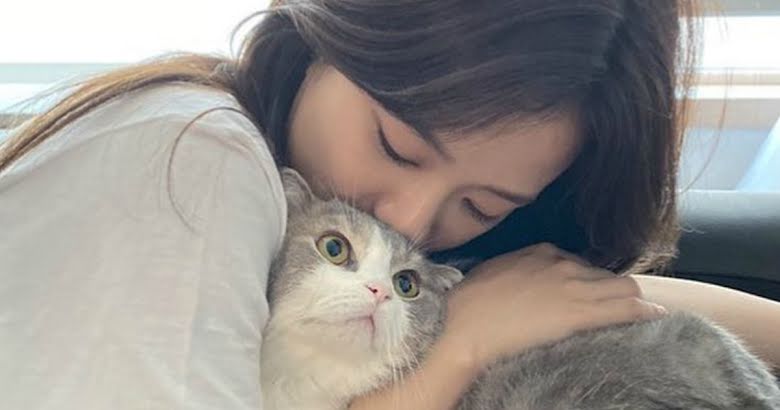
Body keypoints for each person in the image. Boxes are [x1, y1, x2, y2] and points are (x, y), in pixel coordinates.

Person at [1, 0, 778, 409]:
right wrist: (454, 354)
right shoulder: (195, 160)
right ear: (326, 33)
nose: (409, 222)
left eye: (481, 205)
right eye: (397, 146)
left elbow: (579, 292)